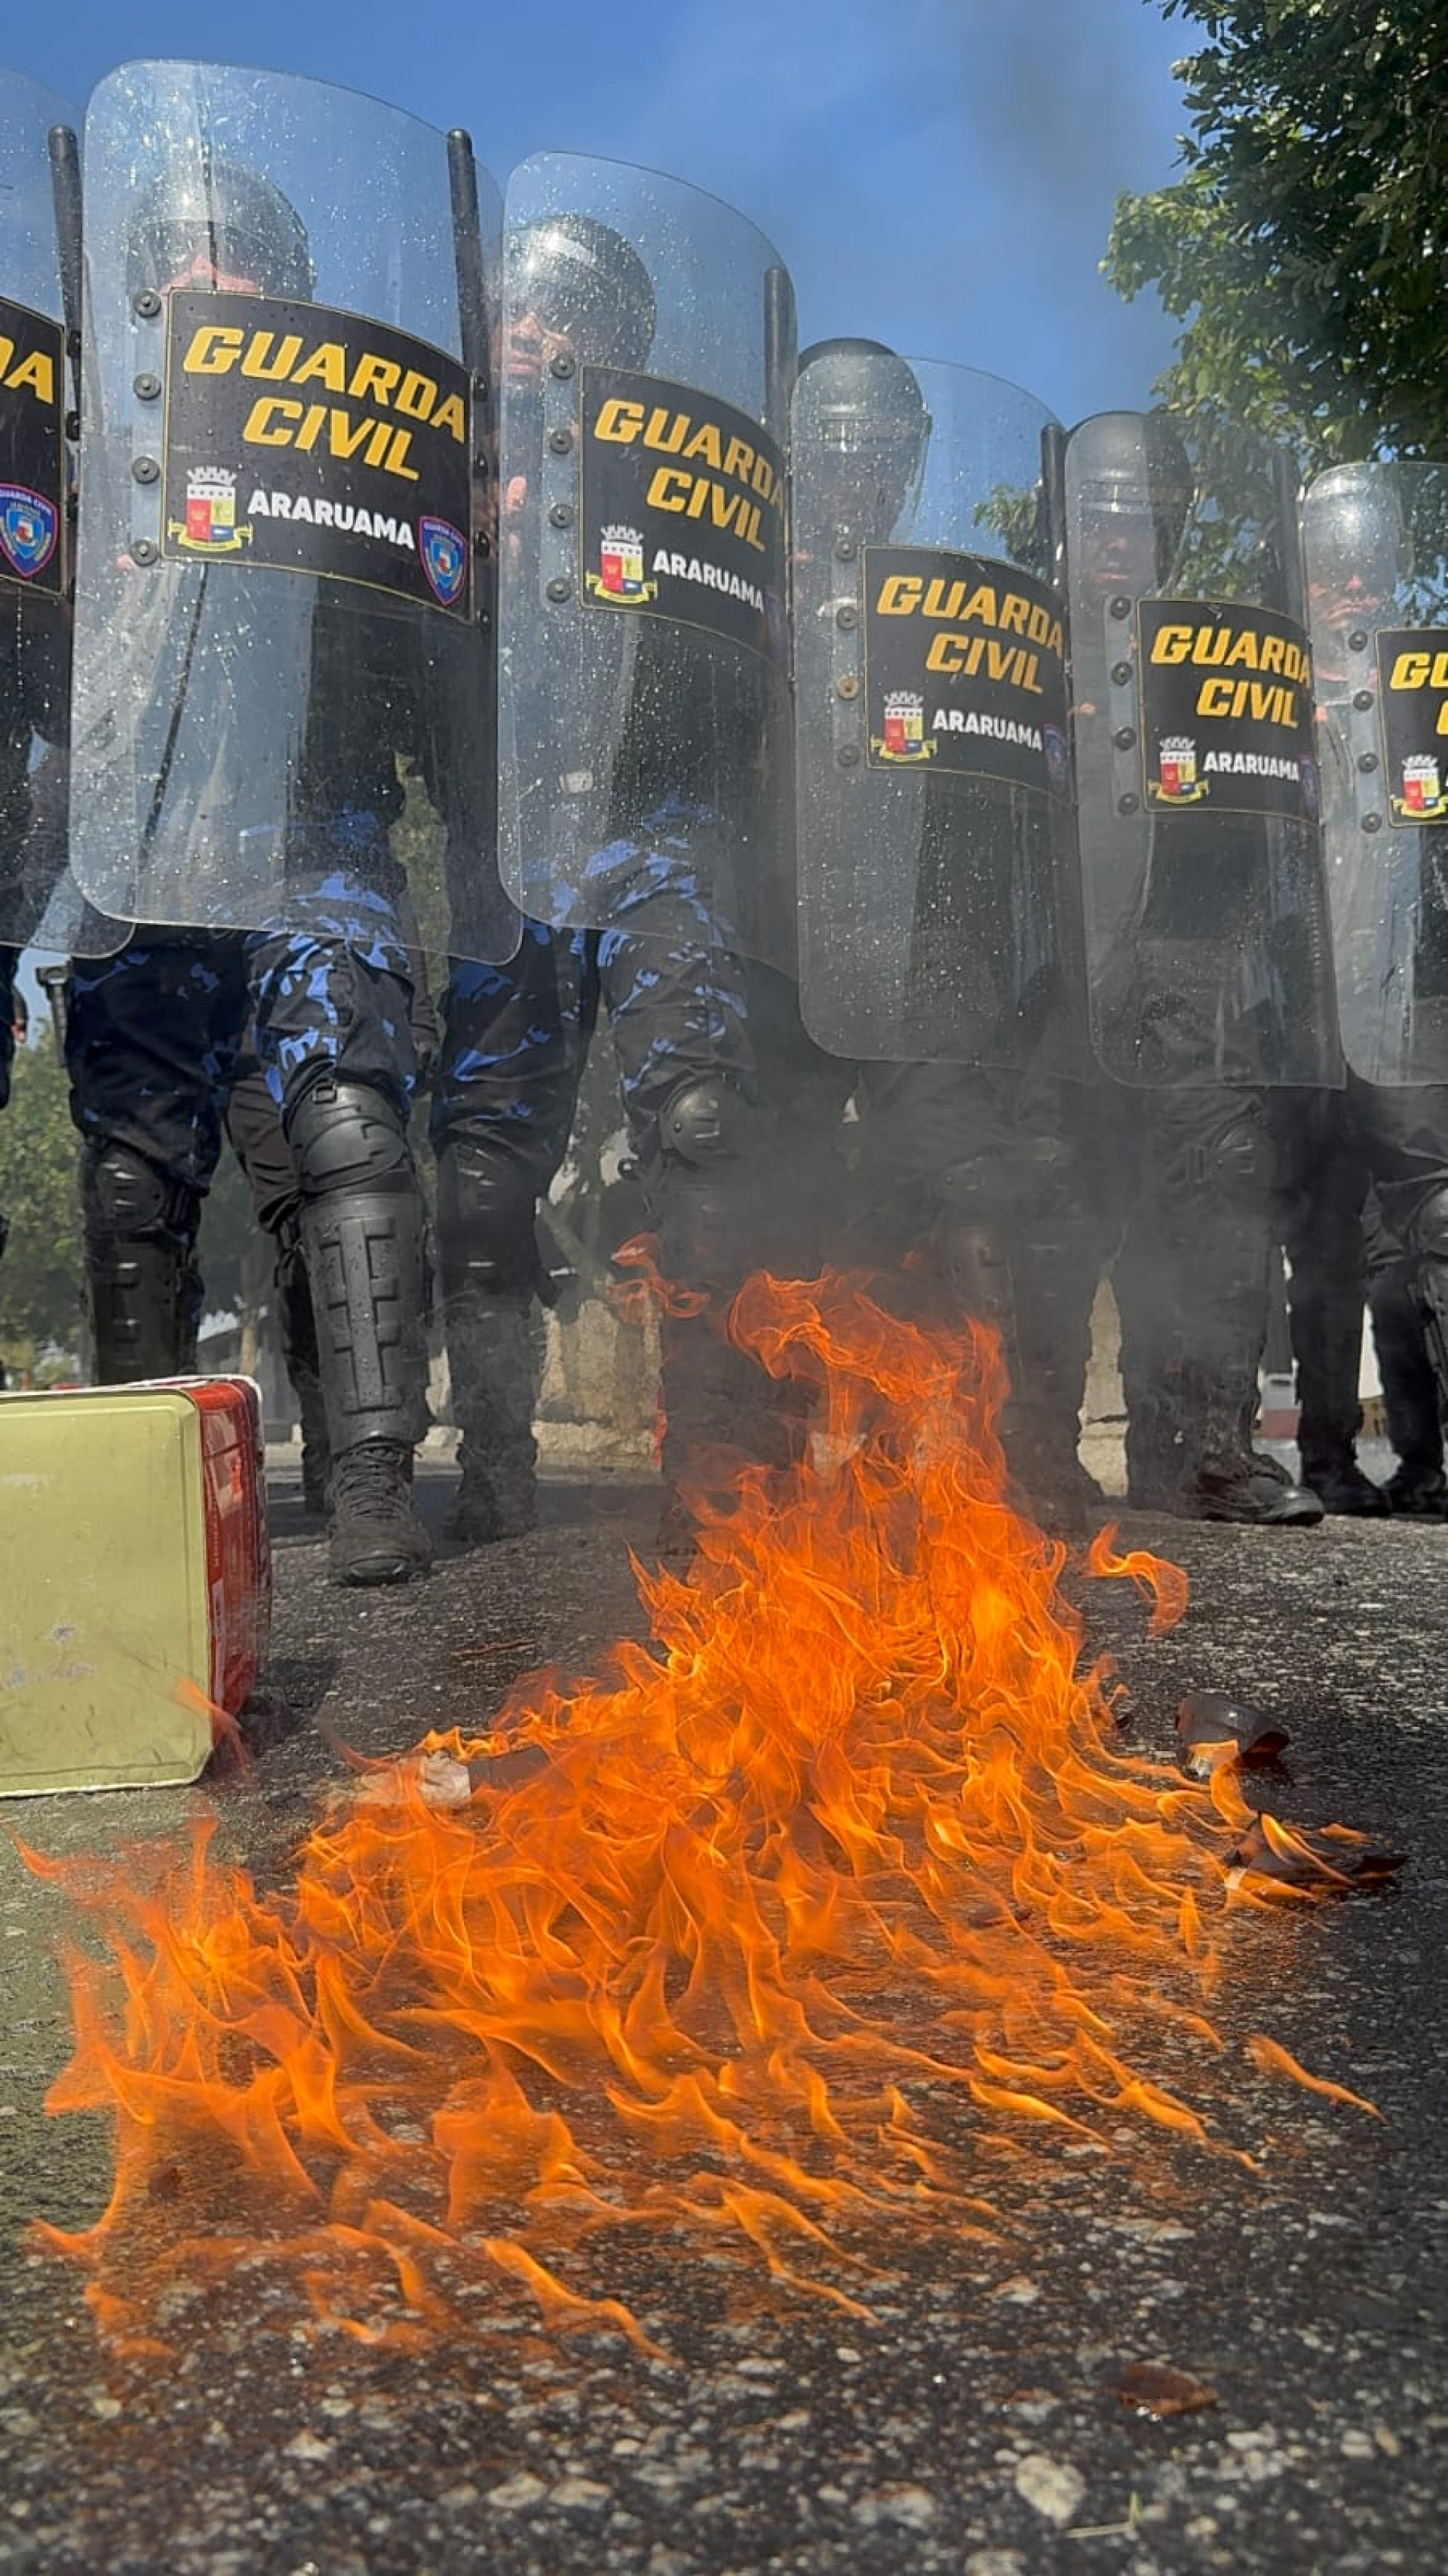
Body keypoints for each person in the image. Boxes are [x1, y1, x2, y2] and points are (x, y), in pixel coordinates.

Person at [66, 153, 451, 1585]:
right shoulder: (84, 454)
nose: (203, 277)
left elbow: (442, 689)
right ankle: (135, 1497)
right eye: (179, 256)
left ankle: (368, 1480)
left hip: (316, 840)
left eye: (235, 261)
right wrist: (86, 608)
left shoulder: (358, 448)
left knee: (346, 1125)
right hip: (145, 851)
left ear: (279, 301)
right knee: (128, 1182)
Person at [432, 210, 819, 1548]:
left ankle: (719, 1473)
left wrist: (765, 599)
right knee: (481, 1173)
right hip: (505, 841)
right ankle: (490, 1463)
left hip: (652, 828)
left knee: (704, 1119)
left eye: (572, 315)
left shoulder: (672, 473)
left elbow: (736, 703)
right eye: (524, 310)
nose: (540, 329)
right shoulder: (432, 467)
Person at [793, 338, 1114, 1529]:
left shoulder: (945, 605)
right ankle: (731, 1477)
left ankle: (992, 1467)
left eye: (880, 455)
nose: (857, 475)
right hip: (770, 928)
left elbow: (987, 821)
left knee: (979, 1187)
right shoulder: (740, 579)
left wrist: (1055, 726)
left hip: (916, 938)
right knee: (737, 1182)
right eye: (836, 452)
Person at [1067, 411, 1324, 1524]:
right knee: (1064, 1203)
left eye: (1143, 518)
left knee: (1219, 1197)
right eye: (1102, 517)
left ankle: (1213, 1456)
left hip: (1193, 964)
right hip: (1061, 964)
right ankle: (1039, 1454)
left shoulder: (1218, 652)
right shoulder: (1021, 642)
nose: (1120, 536)